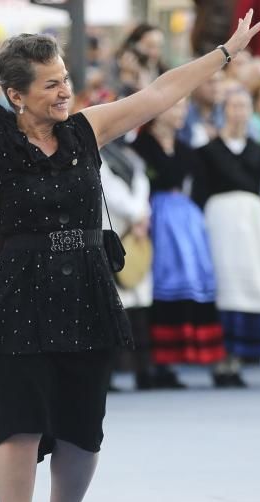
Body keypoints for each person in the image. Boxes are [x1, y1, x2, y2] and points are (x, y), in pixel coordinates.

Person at [0, 13, 260, 502]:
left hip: (86, 291)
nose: (65, 91)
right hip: (17, 298)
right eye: (51, 84)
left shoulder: (87, 129)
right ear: (16, 96)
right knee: (18, 428)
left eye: (65, 79)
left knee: (83, 432)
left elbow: (159, 92)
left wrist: (225, 53)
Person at [193, 85, 260, 386]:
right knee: (226, 283)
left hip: (253, 220)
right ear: (224, 111)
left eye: (245, 106)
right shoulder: (207, 150)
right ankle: (225, 360)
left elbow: (251, 182)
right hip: (221, 221)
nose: (239, 112)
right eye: (233, 106)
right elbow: (201, 191)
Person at [135, 99, 227, 389]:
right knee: (159, 283)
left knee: (190, 280)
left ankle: (177, 357)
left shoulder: (186, 149)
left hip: (185, 220)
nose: (180, 114)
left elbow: (198, 183)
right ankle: (155, 362)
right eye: (175, 108)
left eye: (183, 109)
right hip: (155, 217)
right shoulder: (142, 147)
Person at [99, 136, 156, 390]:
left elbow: (142, 182)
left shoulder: (130, 155)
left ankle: (144, 370)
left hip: (135, 233)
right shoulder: (97, 155)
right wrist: (137, 215)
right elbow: (109, 191)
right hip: (112, 231)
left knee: (140, 305)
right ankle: (108, 375)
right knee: (112, 305)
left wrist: (142, 217)